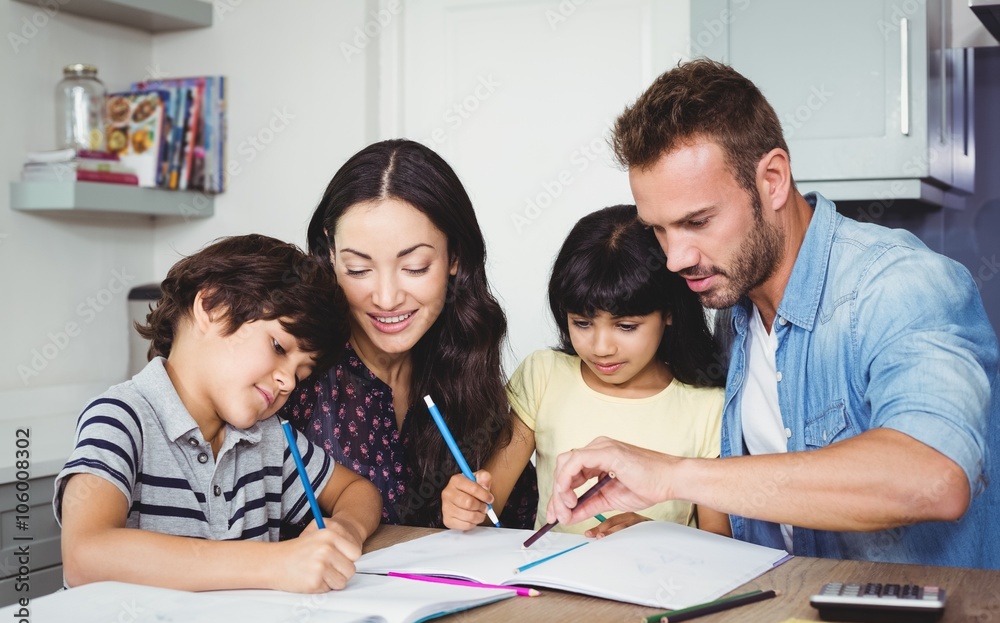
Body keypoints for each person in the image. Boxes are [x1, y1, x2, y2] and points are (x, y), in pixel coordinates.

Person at [546, 59, 1000, 568]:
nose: (675, 258)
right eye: (659, 229)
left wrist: (674, 474)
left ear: (773, 180)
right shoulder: (731, 307)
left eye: (697, 221)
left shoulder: (898, 285)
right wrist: (662, 535)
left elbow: (932, 477)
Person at [54, 235, 383, 593]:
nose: (287, 381)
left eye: (301, 373)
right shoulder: (120, 419)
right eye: (278, 347)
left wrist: (346, 527)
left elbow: (357, 490)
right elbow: (84, 556)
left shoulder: (268, 436)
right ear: (212, 307)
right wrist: (277, 563)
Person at [283, 139, 538, 528]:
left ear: (455, 257)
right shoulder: (291, 373)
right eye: (358, 269)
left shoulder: (464, 360)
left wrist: (477, 509)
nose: (386, 299)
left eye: (415, 267)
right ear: (330, 254)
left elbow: (515, 530)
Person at [442, 205, 730, 537]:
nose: (601, 347)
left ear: (669, 313)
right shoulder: (544, 375)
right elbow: (490, 505)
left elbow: (719, 541)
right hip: (550, 585)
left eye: (625, 326)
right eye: (582, 323)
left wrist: (656, 536)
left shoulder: (707, 406)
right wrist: (466, 505)